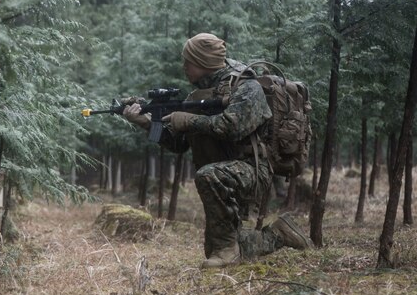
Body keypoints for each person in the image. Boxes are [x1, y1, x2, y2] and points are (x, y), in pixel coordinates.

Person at [123, 32, 312, 268]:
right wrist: (148, 124)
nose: (184, 67)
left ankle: (228, 252)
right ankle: (279, 234)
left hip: (252, 170)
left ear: (204, 63)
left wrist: (189, 120)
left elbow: (234, 127)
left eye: (188, 62)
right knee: (214, 248)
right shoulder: (199, 94)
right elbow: (180, 144)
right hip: (225, 171)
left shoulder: (247, 87)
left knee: (209, 177)